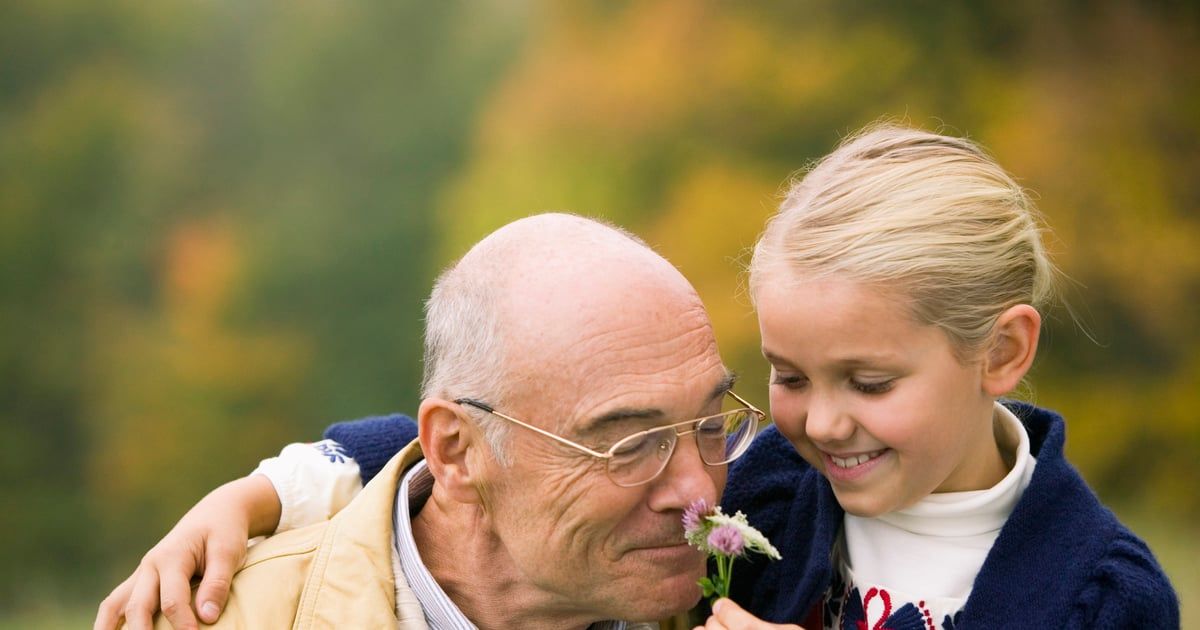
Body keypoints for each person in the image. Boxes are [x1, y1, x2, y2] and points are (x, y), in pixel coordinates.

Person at [99, 125, 1180, 630]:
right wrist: (273, 487)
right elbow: (485, 440)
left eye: (870, 381)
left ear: (1003, 352)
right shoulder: (779, 494)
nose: (823, 421)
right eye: (790, 377)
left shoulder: (1100, 596)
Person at [97, 212, 766, 629]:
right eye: (629, 443)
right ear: (456, 451)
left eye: (711, 426)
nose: (701, 495)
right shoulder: (216, 617)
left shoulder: (768, 585)